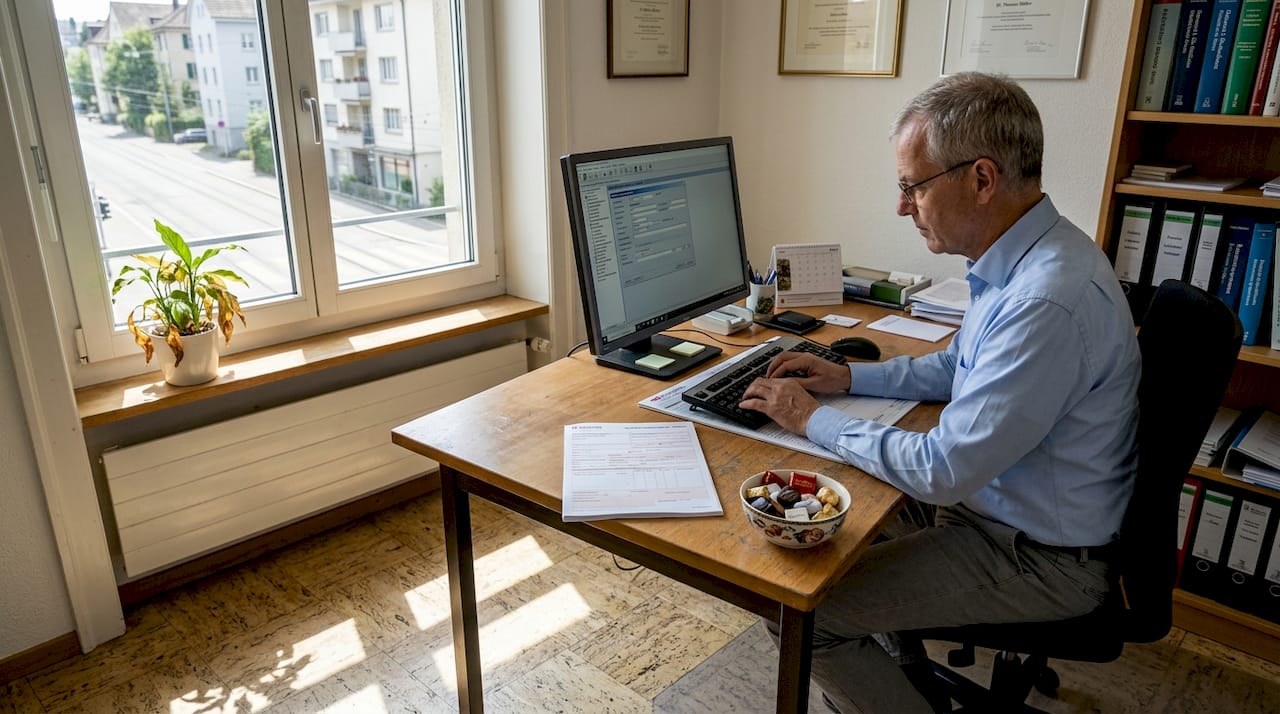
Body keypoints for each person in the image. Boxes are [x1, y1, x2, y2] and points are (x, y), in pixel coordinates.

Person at [740, 72, 1141, 713]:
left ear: (981, 179)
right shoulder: (1028, 256)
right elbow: (960, 366)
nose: (903, 207)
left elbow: (944, 469)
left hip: (1039, 555)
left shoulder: (1045, 301)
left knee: (798, 610)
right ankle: (897, 671)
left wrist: (811, 418)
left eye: (912, 187)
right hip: (1004, 509)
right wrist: (847, 378)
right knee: (839, 515)